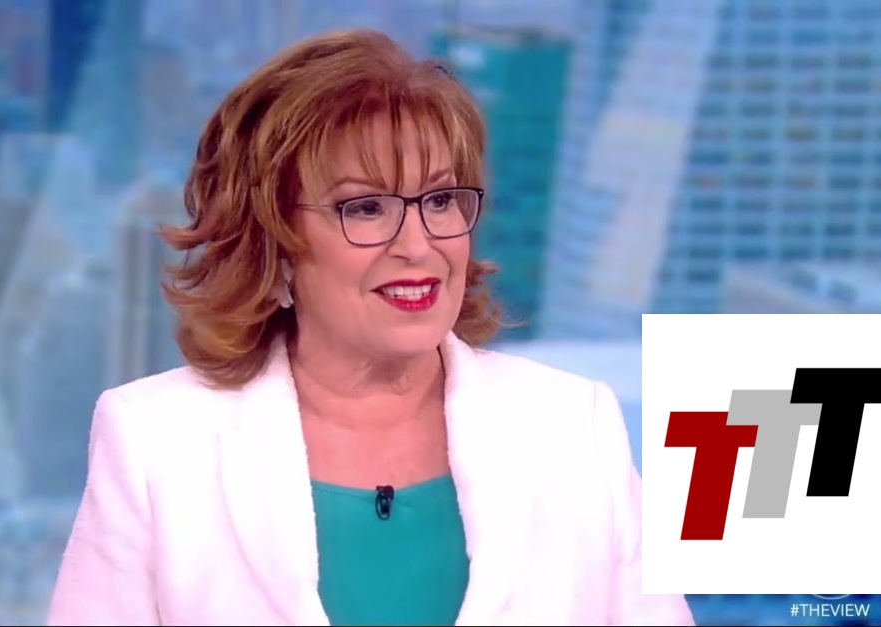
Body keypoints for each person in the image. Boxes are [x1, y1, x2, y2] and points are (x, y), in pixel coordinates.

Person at [47, 29, 695, 627]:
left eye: (439, 200)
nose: (417, 244)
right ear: (274, 239)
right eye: (365, 208)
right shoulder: (156, 443)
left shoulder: (574, 427)